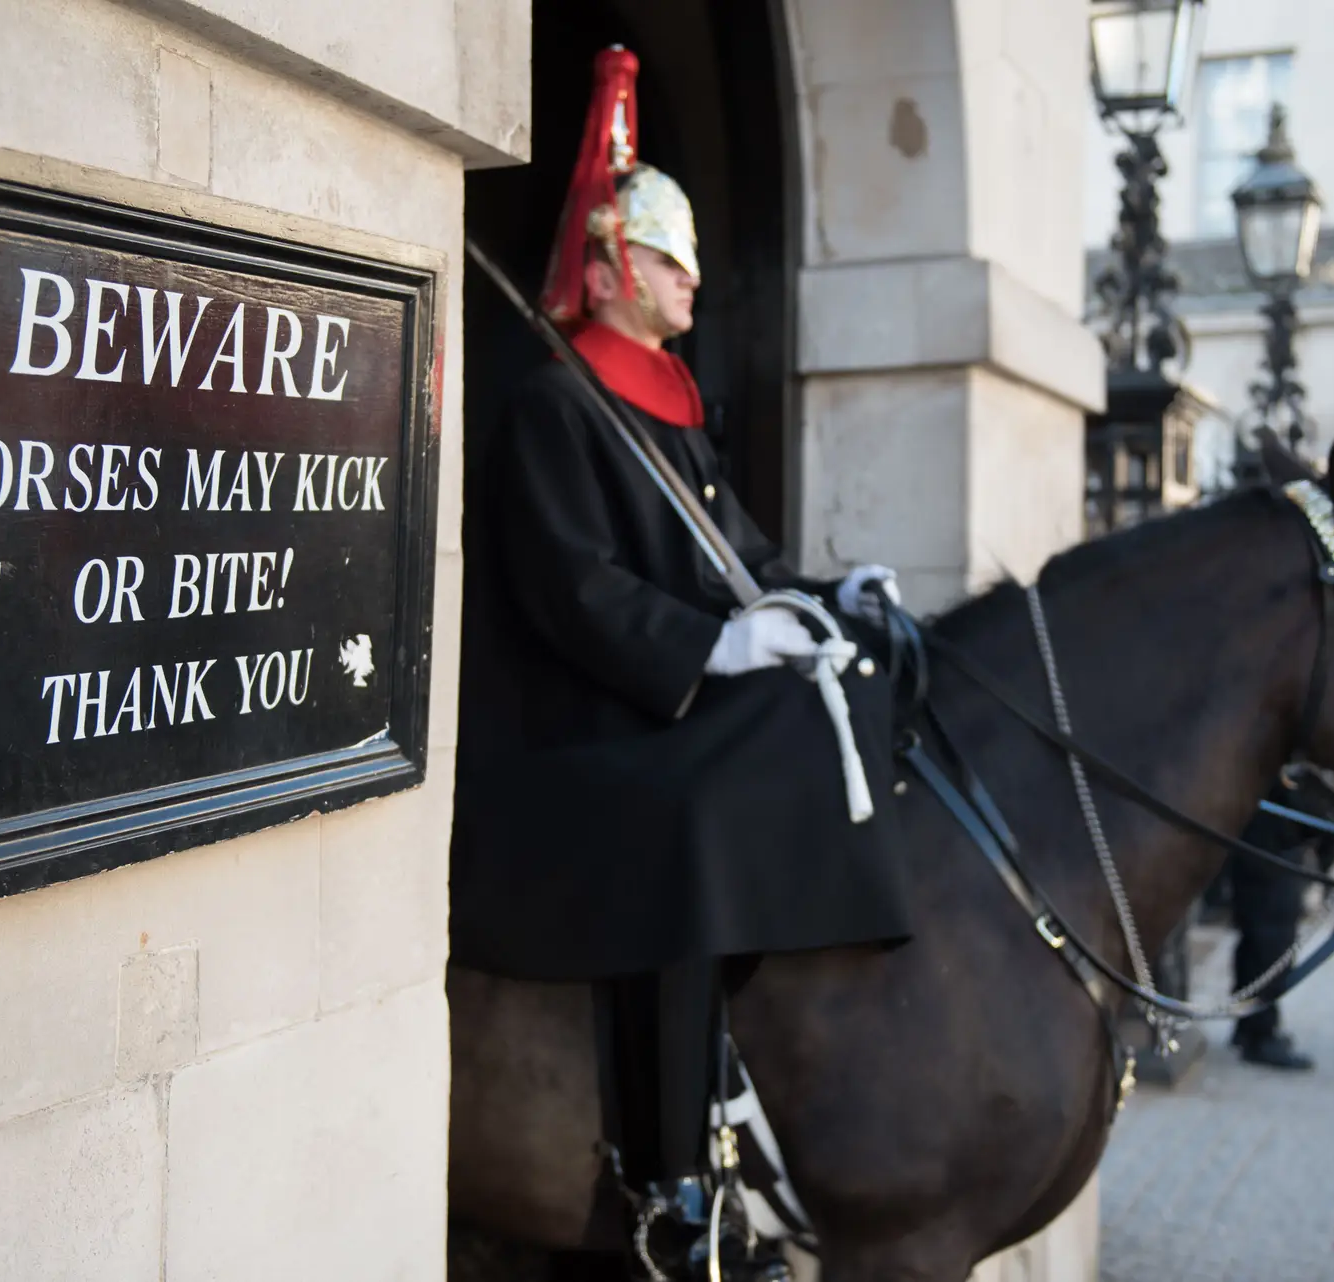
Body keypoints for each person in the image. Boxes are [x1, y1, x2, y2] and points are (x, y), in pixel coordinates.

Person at [450, 47, 912, 1280]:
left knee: (839, 701)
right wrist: (715, 643)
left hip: (660, 699)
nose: (694, 279)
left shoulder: (669, 401)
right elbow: (575, 589)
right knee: (699, 817)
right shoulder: (556, 406)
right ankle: (668, 1179)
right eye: (669, 259)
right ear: (607, 268)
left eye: (692, 262)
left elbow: (742, 556)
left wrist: (823, 597)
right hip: (581, 725)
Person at [1225, 786, 1318, 1071]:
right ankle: (1260, 1035)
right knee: (1270, 945)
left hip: (1266, 846)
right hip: (1270, 848)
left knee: (1258, 942)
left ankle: (1249, 1026)